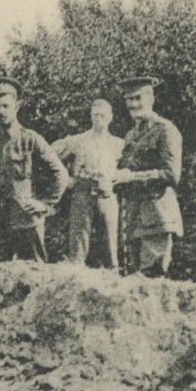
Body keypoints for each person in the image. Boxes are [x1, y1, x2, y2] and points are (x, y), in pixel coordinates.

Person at [0, 78, 70, 263]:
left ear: (17, 106)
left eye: (6, 106)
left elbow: (60, 172)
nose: (1, 111)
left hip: (26, 222)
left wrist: (45, 204)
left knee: (34, 278)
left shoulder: (30, 139)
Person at [114, 75, 183, 277]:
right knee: (132, 283)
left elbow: (171, 174)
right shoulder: (130, 135)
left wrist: (132, 177)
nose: (133, 104)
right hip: (132, 220)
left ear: (151, 98)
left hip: (156, 217)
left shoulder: (165, 130)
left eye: (138, 98)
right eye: (129, 100)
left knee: (150, 283)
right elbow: (124, 172)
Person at [52, 98, 124, 269]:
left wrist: (116, 179)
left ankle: (113, 282)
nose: (99, 118)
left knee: (111, 244)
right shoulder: (77, 140)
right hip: (82, 193)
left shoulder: (119, 144)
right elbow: (48, 155)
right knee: (78, 243)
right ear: (90, 116)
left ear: (111, 117)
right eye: (95, 115)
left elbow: (130, 168)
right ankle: (75, 280)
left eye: (103, 115)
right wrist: (64, 178)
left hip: (107, 194)